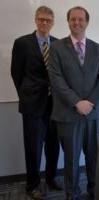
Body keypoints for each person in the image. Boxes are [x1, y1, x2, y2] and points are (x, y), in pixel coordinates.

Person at [47, 6, 99, 200]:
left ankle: (94, 190)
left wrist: (90, 102)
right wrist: (77, 102)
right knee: (71, 159)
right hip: (67, 113)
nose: (77, 22)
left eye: (81, 19)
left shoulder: (98, 49)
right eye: (73, 19)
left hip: (92, 113)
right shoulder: (55, 48)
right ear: (68, 21)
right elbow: (56, 79)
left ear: (87, 22)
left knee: (93, 156)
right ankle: (72, 193)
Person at [10, 6, 62, 200]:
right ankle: (32, 185)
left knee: (53, 146)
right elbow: (16, 73)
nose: (44, 23)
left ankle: (51, 178)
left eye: (48, 20)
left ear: (53, 22)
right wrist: (25, 96)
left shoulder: (58, 44)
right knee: (33, 146)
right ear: (35, 20)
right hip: (32, 105)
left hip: (55, 105)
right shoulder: (22, 43)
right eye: (41, 19)